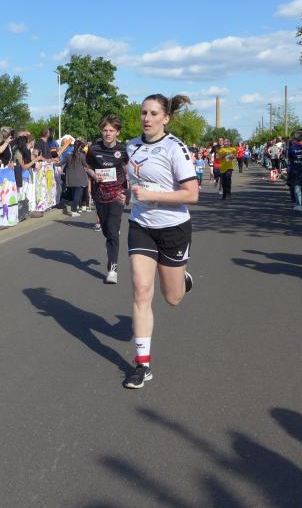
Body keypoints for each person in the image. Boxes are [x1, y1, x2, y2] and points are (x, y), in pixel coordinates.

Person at [124, 94, 199, 389]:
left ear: (166, 118)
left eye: (154, 113)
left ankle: (182, 279)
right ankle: (142, 365)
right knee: (142, 292)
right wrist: (126, 194)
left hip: (173, 228)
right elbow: (134, 181)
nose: (147, 118)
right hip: (141, 225)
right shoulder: (132, 146)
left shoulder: (175, 148)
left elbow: (192, 194)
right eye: (144, 112)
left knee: (173, 298)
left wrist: (153, 195)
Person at [87, 115, 129, 284]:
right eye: (105, 130)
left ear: (117, 132)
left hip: (117, 195)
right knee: (106, 230)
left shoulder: (124, 150)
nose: (108, 133)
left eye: (111, 130)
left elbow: (131, 169)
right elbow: (87, 166)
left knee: (111, 231)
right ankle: (112, 233)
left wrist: (128, 191)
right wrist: (93, 174)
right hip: (100, 194)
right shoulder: (94, 149)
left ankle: (112, 269)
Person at [61, 139, 91, 217]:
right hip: (80, 178)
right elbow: (86, 165)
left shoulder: (68, 155)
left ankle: (75, 208)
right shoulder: (81, 155)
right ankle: (74, 211)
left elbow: (61, 163)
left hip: (70, 178)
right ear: (80, 147)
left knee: (74, 194)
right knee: (77, 195)